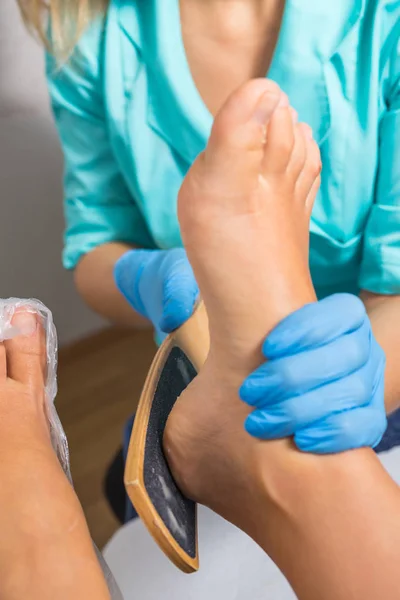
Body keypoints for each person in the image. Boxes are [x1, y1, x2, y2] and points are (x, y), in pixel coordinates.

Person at [1, 80, 399, 600]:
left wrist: (372, 359)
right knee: (309, 446)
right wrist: (137, 273)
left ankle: (31, 533)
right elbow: (94, 243)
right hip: (224, 379)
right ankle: (277, 446)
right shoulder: (86, 43)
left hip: (366, 384)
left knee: (311, 432)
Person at [17, 0, 400, 460]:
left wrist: (367, 375)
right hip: (212, 376)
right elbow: (94, 245)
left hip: (373, 363)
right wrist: (144, 278)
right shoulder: (86, 33)